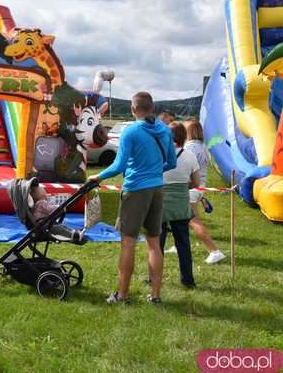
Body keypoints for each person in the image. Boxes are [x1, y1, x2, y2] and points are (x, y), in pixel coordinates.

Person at [88, 92, 176, 304]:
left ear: (132, 109)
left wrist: (97, 176)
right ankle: (155, 296)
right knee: (154, 243)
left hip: (136, 190)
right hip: (157, 189)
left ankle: (122, 295)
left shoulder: (131, 131)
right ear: (152, 107)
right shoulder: (165, 130)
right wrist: (154, 170)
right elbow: (171, 163)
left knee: (128, 243)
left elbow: (119, 165)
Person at [160, 122, 200, 288]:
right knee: (183, 244)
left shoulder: (159, 154)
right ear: (184, 137)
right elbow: (196, 182)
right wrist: (183, 186)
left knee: (157, 245)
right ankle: (188, 280)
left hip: (159, 203)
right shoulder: (190, 155)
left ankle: (152, 278)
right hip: (181, 204)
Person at [184, 120, 225, 264]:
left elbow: (186, 168)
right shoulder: (202, 146)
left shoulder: (189, 147)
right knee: (183, 220)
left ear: (188, 132)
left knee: (193, 220)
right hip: (200, 186)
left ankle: (215, 251)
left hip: (190, 188)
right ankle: (179, 245)